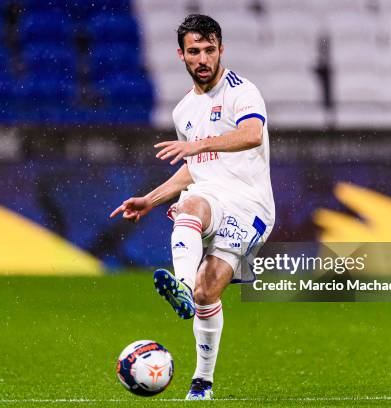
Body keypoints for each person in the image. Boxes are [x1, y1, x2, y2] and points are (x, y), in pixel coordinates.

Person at [110, 14, 275, 400]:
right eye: (194, 51)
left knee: (208, 291)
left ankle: (188, 295)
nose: (203, 58)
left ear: (221, 50)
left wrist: (198, 145)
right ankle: (202, 383)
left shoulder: (242, 92)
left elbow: (252, 134)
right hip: (210, 198)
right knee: (193, 211)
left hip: (250, 205)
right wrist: (149, 199)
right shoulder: (183, 111)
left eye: (209, 50)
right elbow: (195, 168)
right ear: (181, 55)